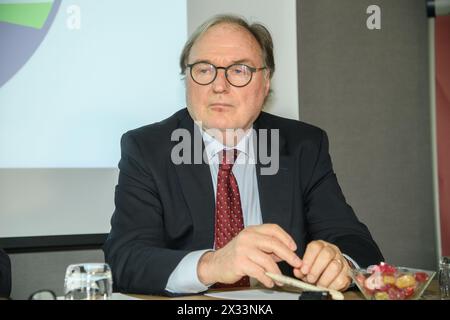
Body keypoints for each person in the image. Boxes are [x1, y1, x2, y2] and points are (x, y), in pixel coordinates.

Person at [103, 14, 383, 295]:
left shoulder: (303, 146)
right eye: (203, 69)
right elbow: (126, 259)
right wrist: (211, 264)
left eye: (239, 70)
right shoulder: (148, 148)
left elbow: (355, 242)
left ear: (265, 82)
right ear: (186, 80)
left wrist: (340, 263)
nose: (219, 85)